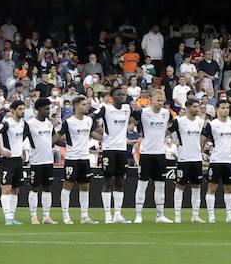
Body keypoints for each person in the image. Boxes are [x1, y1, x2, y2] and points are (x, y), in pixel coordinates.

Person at [133, 88, 174, 224]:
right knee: (142, 184)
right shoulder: (144, 113)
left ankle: (160, 215)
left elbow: (170, 127)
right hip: (145, 153)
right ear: (151, 100)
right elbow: (133, 118)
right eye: (158, 100)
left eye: (162, 100)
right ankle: (138, 215)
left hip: (160, 154)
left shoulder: (166, 113)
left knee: (160, 185)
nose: (161, 103)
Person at [94, 87, 133, 223]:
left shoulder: (128, 108)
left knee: (120, 181)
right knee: (107, 180)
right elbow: (91, 117)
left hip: (122, 149)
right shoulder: (106, 109)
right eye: (119, 94)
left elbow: (140, 115)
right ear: (112, 97)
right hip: (109, 149)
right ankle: (107, 215)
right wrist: (96, 134)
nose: (122, 96)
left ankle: (117, 214)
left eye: (124, 94)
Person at [56, 94, 96, 225]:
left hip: (85, 158)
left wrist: (105, 138)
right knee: (68, 185)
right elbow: (59, 136)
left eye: (87, 104)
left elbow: (92, 134)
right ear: (76, 106)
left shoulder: (89, 121)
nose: (86, 107)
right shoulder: (68, 121)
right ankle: (66, 216)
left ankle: (84, 216)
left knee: (85, 186)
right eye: (84, 104)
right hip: (72, 158)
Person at [0, 100, 27, 225]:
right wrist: (1, 150)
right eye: (20, 109)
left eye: (23, 109)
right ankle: (7, 218)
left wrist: (23, 152)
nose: (22, 111)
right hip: (7, 160)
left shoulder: (23, 124)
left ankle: (12, 216)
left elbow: (22, 140)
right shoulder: (6, 123)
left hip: (18, 160)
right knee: (6, 188)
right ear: (13, 110)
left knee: (15, 189)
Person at [201, 99, 231, 223]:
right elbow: (202, 139)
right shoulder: (212, 124)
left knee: (229, 189)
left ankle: (229, 215)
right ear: (217, 110)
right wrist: (201, 151)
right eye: (223, 108)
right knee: (212, 188)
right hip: (216, 160)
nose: (225, 110)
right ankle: (211, 216)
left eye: (227, 108)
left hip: (229, 161)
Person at [170, 99, 207, 223]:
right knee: (180, 186)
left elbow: (202, 138)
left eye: (198, 106)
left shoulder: (201, 122)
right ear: (187, 107)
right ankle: (177, 216)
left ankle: (195, 215)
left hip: (196, 159)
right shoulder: (179, 121)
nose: (198, 109)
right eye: (195, 106)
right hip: (183, 159)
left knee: (197, 186)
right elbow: (168, 133)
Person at [22, 98, 58, 225]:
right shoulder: (29, 124)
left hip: (48, 160)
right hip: (36, 160)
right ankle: (33, 216)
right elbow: (22, 139)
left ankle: (46, 216)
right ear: (38, 109)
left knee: (47, 188)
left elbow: (54, 139)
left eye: (49, 108)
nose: (48, 111)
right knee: (34, 188)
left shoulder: (49, 123)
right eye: (46, 109)